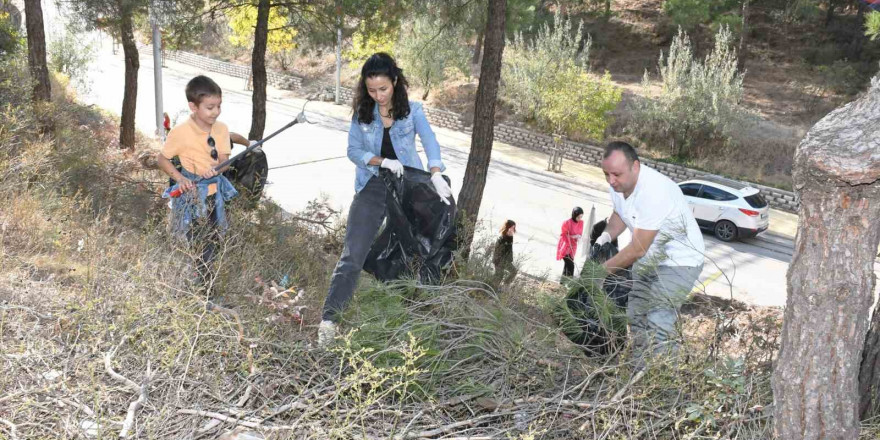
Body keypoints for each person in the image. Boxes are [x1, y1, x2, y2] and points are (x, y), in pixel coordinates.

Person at [318, 53, 452, 347]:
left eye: (383, 89)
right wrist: (381, 161)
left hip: (408, 186)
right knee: (353, 253)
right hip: (375, 184)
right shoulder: (363, 114)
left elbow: (430, 141)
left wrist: (436, 172)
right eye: (371, 90)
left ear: (395, 82)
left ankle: (407, 330)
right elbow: (353, 150)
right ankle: (328, 322)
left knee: (415, 255)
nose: (377, 96)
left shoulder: (413, 111)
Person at [597, 141, 705, 364]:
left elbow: (637, 248)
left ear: (635, 166)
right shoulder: (618, 185)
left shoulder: (655, 191)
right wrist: (606, 235)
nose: (611, 180)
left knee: (658, 319)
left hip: (679, 261)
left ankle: (664, 382)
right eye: (606, 174)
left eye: (616, 174)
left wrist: (600, 272)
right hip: (649, 259)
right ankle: (640, 372)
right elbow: (620, 213)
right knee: (636, 316)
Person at [157, 75, 239, 289]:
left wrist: (219, 167)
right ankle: (188, 285)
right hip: (192, 195)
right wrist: (181, 179)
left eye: (219, 106)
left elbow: (225, 161)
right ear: (193, 106)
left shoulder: (221, 129)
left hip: (215, 195)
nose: (216, 112)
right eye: (210, 107)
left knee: (213, 241)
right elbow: (162, 159)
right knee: (191, 240)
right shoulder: (180, 132)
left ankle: (205, 287)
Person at [557, 207, 585, 278]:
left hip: (573, 247)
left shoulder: (581, 223)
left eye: (581, 217)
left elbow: (580, 234)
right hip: (565, 246)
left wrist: (580, 238)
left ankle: (562, 283)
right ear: (574, 215)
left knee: (567, 266)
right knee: (571, 265)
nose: (580, 219)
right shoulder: (567, 223)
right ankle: (570, 283)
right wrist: (573, 236)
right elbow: (563, 235)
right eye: (578, 217)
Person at [492, 220, 517, 286]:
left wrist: (510, 237)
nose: (512, 229)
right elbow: (499, 251)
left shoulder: (510, 237)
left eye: (513, 228)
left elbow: (509, 250)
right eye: (511, 227)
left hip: (505, 260)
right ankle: (492, 288)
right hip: (498, 260)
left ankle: (505, 285)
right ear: (507, 227)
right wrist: (499, 262)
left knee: (514, 271)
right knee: (499, 276)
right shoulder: (501, 238)